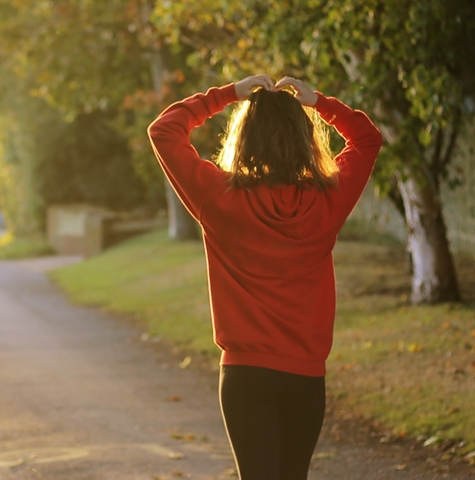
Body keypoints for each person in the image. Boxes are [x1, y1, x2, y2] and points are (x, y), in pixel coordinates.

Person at [146, 74, 383, 480]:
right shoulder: (327, 199)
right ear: (305, 139)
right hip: (305, 377)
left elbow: (164, 130)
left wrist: (228, 94)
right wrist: (319, 102)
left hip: (244, 375)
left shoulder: (219, 198)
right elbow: (367, 140)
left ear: (245, 138)